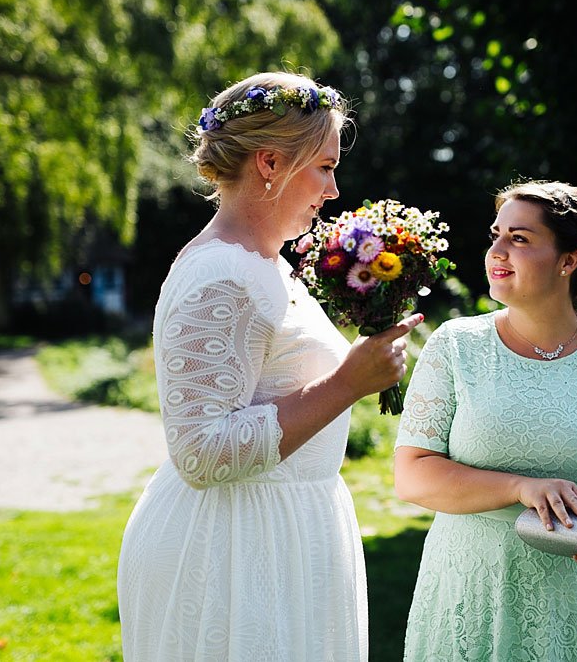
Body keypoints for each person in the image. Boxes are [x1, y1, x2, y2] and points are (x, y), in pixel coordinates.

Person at [117, 71, 421, 662]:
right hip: (230, 547)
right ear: (270, 163)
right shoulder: (220, 275)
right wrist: (347, 384)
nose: (334, 189)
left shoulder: (267, 265)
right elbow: (200, 451)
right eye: (325, 166)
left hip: (285, 530)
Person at [393, 180, 577, 661]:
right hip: (473, 593)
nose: (497, 251)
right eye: (496, 234)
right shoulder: (455, 346)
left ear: (569, 261)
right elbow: (412, 474)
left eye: (520, 239)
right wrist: (519, 488)